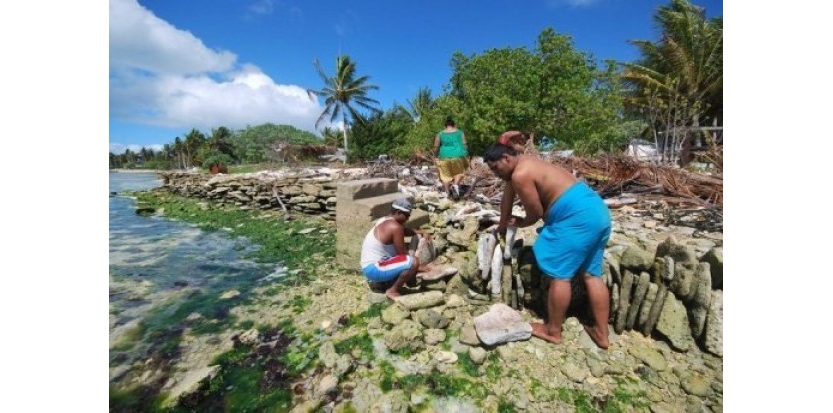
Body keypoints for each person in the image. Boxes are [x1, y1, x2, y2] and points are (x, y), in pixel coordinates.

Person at [483, 142, 613, 349]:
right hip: (597, 212)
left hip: (576, 217)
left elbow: (535, 213)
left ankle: (552, 330)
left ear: (506, 159)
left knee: (560, 276)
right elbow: (507, 198)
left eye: (496, 168)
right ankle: (602, 333)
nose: (495, 174)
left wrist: (520, 222)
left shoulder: (519, 175)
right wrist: (501, 224)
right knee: (591, 274)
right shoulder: (525, 163)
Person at [360, 198, 432, 300]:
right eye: (407, 215)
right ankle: (393, 290)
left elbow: (404, 231)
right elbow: (403, 255)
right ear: (398, 213)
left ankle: (401, 280)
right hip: (375, 269)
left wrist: (418, 232)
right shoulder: (395, 226)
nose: (407, 219)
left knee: (410, 260)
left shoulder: (385, 220)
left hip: (369, 267)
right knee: (413, 262)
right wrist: (417, 267)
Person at [433, 117, 469, 199]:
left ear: (445, 126)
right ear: (454, 125)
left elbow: (436, 146)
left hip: (444, 156)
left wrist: (435, 155)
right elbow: (465, 144)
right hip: (458, 155)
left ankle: (447, 193)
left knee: (445, 176)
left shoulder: (440, 134)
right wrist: (466, 153)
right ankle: (455, 185)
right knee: (459, 172)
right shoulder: (460, 133)